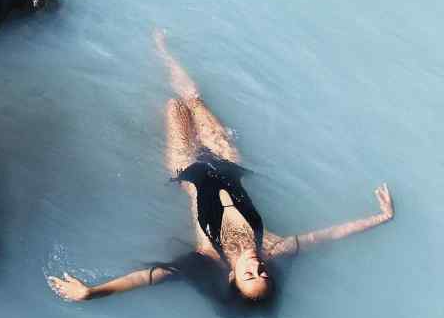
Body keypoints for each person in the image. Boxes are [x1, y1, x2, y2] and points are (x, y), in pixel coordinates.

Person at [48, 30, 394, 303]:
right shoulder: (275, 247)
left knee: (174, 108)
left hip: (189, 171)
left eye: (249, 277)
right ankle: (163, 48)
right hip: (230, 165)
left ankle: (153, 59)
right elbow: (330, 234)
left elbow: (150, 276)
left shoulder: (208, 255)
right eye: (264, 275)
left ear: (232, 277)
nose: (258, 269)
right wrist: (381, 217)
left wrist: (92, 291)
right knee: (194, 99)